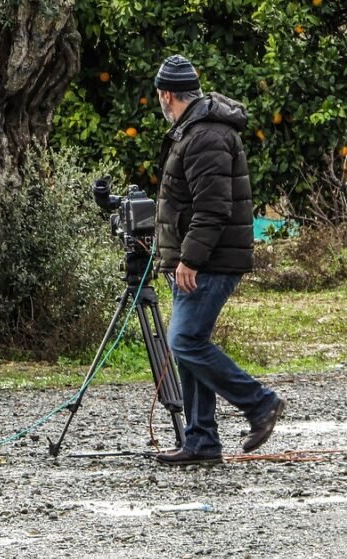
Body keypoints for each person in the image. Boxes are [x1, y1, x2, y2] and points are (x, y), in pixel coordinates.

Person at [149, 55, 285, 466]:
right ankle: (202, 440)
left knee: (184, 340)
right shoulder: (191, 131)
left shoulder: (204, 135)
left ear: (166, 94)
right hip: (199, 258)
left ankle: (260, 403)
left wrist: (189, 259)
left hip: (210, 260)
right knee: (191, 343)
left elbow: (213, 208)